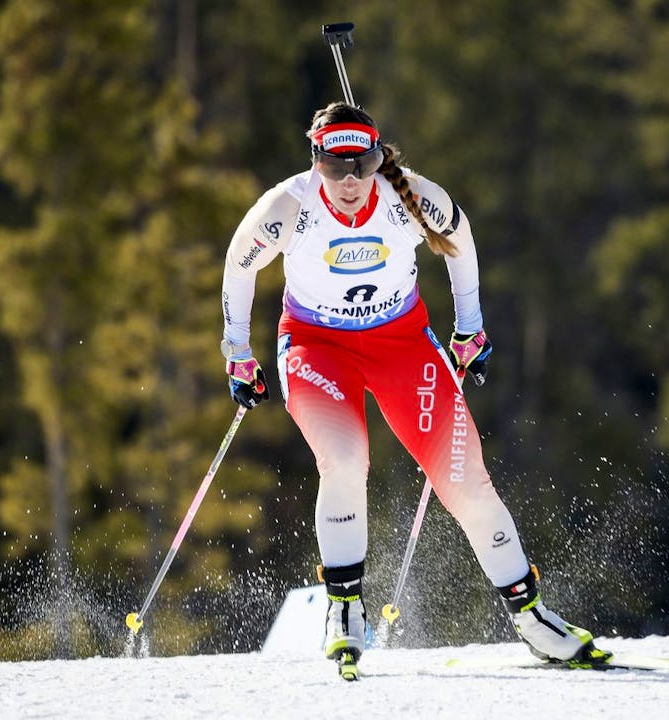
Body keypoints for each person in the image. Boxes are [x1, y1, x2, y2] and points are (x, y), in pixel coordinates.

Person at [220, 101, 604, 675]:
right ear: (316, 161)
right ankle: (344, 610)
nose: (349, 181)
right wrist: (238, 353)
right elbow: (239, 264)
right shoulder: (288, 207)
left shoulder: (409, 198)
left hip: (402, 345)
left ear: (378, 159)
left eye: (361, 165)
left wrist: (470, 327)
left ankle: (532, 617)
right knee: (344, 460)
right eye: (335, 167)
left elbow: (461, 237)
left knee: (465, 479)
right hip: (316, 346)